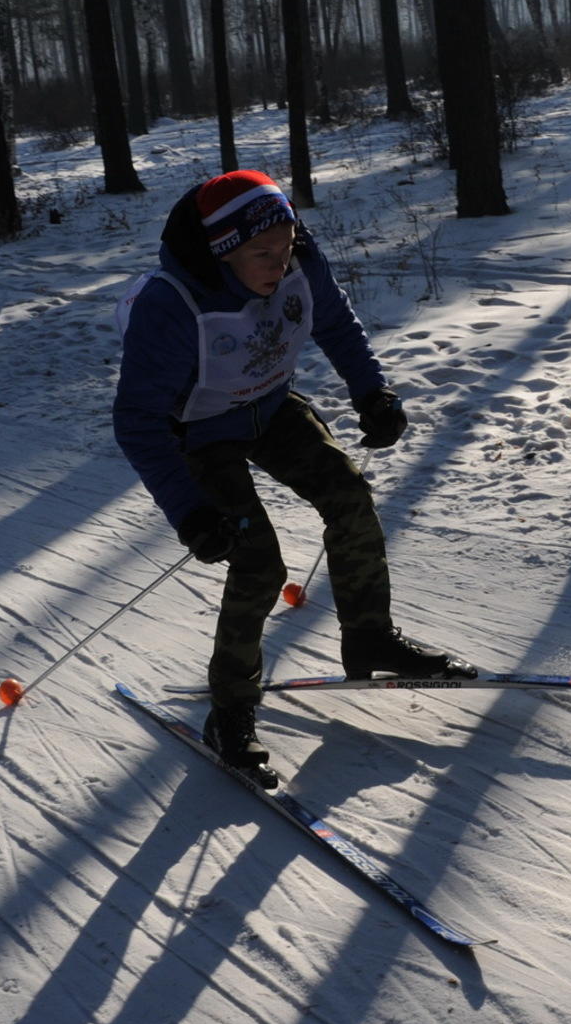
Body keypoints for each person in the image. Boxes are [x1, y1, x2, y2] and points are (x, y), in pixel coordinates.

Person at [113, 170, 475, 780]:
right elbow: (138, 422)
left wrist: (372, 394)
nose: (279, 264)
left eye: (285, 247)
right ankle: (230, 711)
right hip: (198, 434)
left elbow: (334, 322)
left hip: (270, 407)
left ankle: (370, 637)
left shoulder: (298, 259)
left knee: (349, 496)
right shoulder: (171, 305)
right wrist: (191, 513)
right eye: (262, 253)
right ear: (222, 249)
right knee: (259, 565)